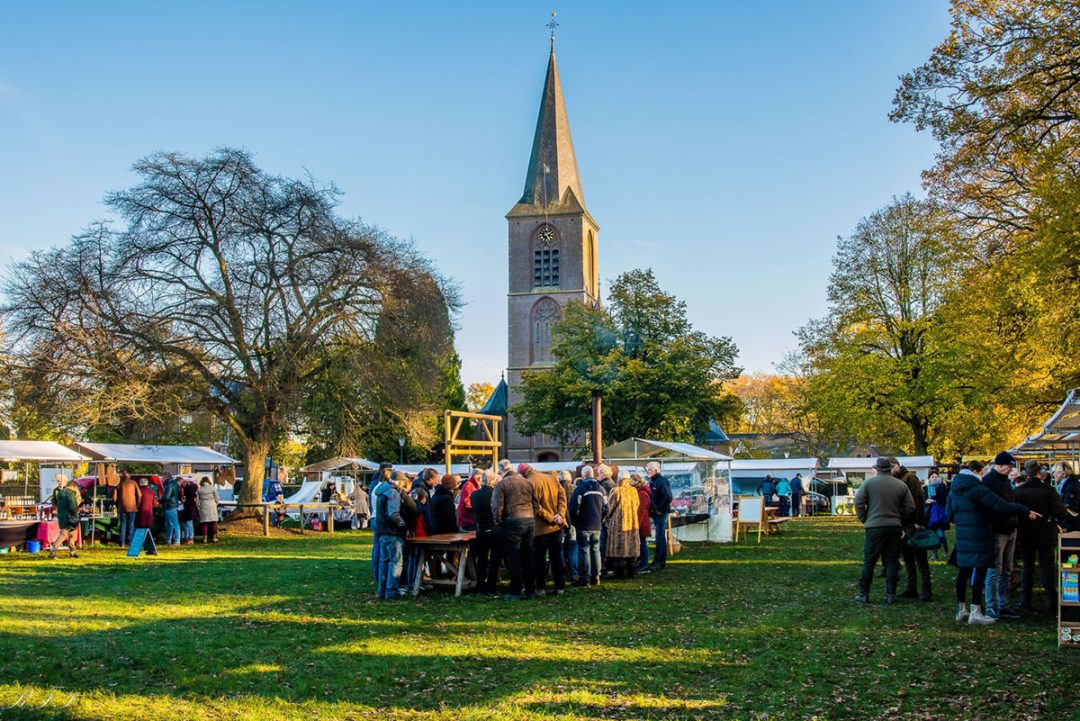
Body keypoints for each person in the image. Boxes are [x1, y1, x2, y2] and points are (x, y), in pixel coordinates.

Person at [948, 459, 1038, 625]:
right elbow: (1000, 505)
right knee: (980, 571)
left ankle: (961, 609)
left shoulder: (954, 490)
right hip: (980, 535)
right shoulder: (978, 489)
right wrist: (1023, 510)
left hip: (962, 536)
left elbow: (949, 514)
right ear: (975, 473)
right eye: (981, 473)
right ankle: (976, 611)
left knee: (964, 572)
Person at [853, 457, 915, 605]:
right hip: (894, 527)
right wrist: (900, 519)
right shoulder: (900, 485)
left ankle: (864, 593)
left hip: (874, 527)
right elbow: (910, 507)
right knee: (892, 561)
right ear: (890, 468)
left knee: (869, 561)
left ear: (877, 469)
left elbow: (858, 502)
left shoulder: (868, 483)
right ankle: (890, 594)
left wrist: (865, 519)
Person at [1014, 460, 1069, 614]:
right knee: (1047, 568)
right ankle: (1051, 602)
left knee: (1027, 567)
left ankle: (1025, 601)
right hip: (1046, 532)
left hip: (1026, 532)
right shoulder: (1049, 490)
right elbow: (1060, 512)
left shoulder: (1018, 491)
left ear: (1026, 474)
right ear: (1040, 473)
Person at [981, 451, 1022, 619]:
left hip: (1011, 528)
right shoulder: (990, 482)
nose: (1010, 470)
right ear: (999, 465)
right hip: (999, 531)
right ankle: (991, 605)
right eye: (1008, 466)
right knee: (995, 570)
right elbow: (995, 506)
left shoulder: (1005, 482)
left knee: (1006, 569)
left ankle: (1002, 604)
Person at [493, 459, 539, 600]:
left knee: (514, 559)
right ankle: (531, 591)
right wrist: (532, 516)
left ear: (501, 470)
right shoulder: (527, 482)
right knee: (528, 557)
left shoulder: (502, 484)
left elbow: (497, 507)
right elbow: (536, 503)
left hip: (513, 521)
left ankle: (515, 592)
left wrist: (499, 523)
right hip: (529, 520)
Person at [891, 458, 931, 602]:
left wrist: (919, 521)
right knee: (907, 557)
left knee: (920, 557)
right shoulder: (895, 479)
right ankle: (911, 587)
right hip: (902, 523)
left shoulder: (910, 478)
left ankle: (926, 589)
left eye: (891, 467)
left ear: (897, 466)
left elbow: (919, 499)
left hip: (913, 523)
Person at [523, 463, 567, 595]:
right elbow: (562, 497)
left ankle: (540, 588)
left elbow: (535, 506)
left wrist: (550, 517)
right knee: (557, 557)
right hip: (557, 526)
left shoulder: (529, 483)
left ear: (523, 473)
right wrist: (560, 515)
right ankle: (560, 587)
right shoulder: (551, 478)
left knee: (539, 559)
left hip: (541, 528)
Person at [373, 472, 407, 600]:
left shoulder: (381, 491)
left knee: (384, 562)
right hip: (392, 532)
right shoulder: (393, 493)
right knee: (396, 562)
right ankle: (391, 591)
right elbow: (393, 514)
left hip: (382, 531)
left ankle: (382, 590)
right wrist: (403, 525)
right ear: (399, 482)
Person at [569, 465, 605, 586]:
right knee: (595, 550)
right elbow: (607, 507)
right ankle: (596, 576)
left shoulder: (580, 489)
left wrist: (574, 521)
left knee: (584, 550)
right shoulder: (601, 489)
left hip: (583, 524)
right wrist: (602, 519)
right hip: (597, 524)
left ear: (583, 476)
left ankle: (585, 577)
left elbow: (573, 507)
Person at [604, 472, 640, 578]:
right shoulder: (633, 491)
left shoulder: (616, 490)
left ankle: (619, 572)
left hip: (618, 523)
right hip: (632, 523)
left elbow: (610, 507)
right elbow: (637, 504)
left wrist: (607, 516)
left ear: (619, 479)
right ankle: (631, 571)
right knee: (630, 546)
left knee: (618, 546)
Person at [471, 469, 501, 594]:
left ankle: (480, 585)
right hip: (495, 529)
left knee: (482, 558)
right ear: (493, 481)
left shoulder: (475, 494)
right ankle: (491, 586)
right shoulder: (496, 494)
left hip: (481, 529)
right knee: (495, 559)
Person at [646, 462, 672, 571]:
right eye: (648, 469)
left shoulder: (661, 481)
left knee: (660, 536)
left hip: (661, 512)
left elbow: (668, 496)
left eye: (650, 469)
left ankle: (659, 561)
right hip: (657, 512)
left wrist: (660, 509)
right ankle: (660, 561)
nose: (648, 471)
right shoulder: (653, 481)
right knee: (660, 536)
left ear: (656, 470)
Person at [48, 474, 80, 559]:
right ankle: (53, 552)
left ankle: (72, 552)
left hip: (65, 515)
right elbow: (54, 501)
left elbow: (78, 499)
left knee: (73, 534)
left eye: (60, 481)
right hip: (69, 515)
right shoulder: (59, 491)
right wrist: (57, 507)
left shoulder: (69, 491)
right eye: (57, 481)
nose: (58, 482)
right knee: (64, 534)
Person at [559, 471, 579, 584]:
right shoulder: (575, 489)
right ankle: (574, 573)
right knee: (573, 549)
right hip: (573, 524)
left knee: (560, 549)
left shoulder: (556, 489)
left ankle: (560, 573)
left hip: (560, 523)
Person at [632, 473, 652, 575]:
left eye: (631, 481)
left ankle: (645, 565)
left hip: (642, 522)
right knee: (641, 543)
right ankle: (642, 563)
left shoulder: (642, 493)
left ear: (636, 481)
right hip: (642, 521)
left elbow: (641, 510)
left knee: (643, 543)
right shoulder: (640, 491)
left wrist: (637, 524)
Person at [117, 471, 141, 547]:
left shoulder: (119, 484)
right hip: (132, 507)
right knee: (131, 524)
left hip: (122, 507)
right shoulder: (133, 483)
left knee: (123, 524)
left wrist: (117, 503)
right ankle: (130, 541)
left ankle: (122, 542)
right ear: (129, 476)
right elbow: (139, 495)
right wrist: (137, 505)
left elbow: (114, 496)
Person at [196, 476, 220, 543]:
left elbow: (197, 501)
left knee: (204, 523)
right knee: (213, 522)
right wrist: (215, 504)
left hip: (204, 506)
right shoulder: (212, 488)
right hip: (212, 505)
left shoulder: (199, 489)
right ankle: (214, 538)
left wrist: (198, 507)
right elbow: (217, 499)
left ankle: (205, 539)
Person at [161, 474, 181, 546]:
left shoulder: (169, 485)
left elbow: (166, 496)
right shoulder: (174, 484)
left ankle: (176, 540)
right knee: (171, 523)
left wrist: (160, 501)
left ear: (166, 478)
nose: (162, 479)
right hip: (173, 504)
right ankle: (169, 540)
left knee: (173, 523)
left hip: (170, 505)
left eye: (163, 478)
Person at [180, 479, 199, 545]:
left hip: (188, 509)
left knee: (188, 523)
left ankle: (189, 538)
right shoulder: (190, 490)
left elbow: (186, 500)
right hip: (188, 509)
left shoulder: (187, 491)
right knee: (187, 523)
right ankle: (188, 538)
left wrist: (183, 501)